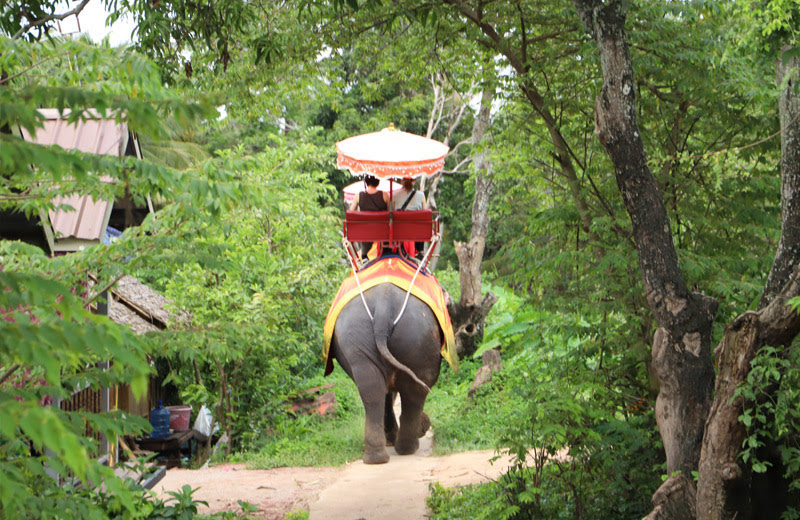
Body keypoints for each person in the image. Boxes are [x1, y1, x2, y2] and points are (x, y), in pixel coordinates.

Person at [349, 175, 389, 258]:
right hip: (382, 232)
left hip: (365, 232)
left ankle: (364, 255)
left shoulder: (358, 196)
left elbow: (350, 214)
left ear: (366, 182)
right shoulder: (385, 195)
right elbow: (391, 214)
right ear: (378, 182)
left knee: (366, 231)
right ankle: (385, 253)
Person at [392, 177, 428, 259]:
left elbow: (391, 213)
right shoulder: (421, 195)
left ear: (402, 181)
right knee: (420, 225)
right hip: (415, 233)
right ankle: (420, 251)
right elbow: (425, 215)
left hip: (398, 231)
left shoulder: (394, 195)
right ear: (414, 181)